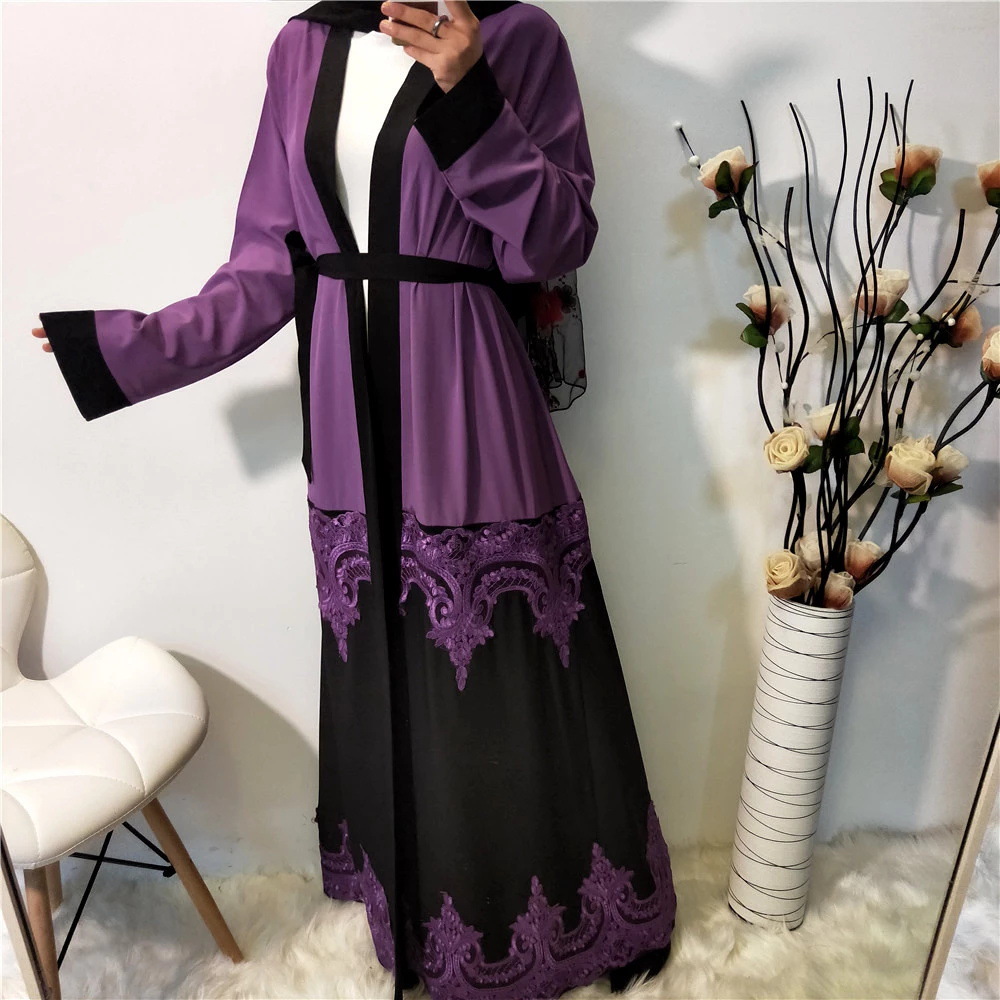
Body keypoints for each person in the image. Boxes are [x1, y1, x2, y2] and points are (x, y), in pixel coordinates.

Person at [33, 3, 677, 998]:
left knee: (496, 654)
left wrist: (470, 94)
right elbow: (263, 268)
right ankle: (416, 911)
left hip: (468, 390)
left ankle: (551, 923)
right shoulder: (303, 46)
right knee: (387, 649)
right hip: (345, 407)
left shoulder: (517, 36)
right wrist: (128, 346)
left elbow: (555, 241)